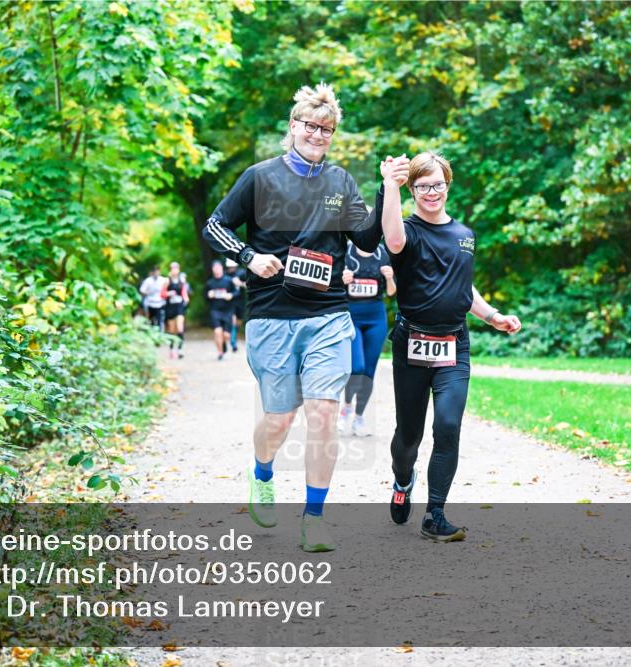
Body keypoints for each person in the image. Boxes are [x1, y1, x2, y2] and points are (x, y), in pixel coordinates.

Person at [201, 82, 383, 552]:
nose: (318, 135)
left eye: (326, 129)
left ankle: (314, 518)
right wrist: (249, 257)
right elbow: (214, 227)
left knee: (323, 414)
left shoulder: (341, 182)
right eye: (310, 126)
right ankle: (262, 473)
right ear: (293, 126)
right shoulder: (259, 177)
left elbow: (365, 240)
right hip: (272, 314)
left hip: (328, 313)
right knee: (280, 420)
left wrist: (388, 190)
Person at [379, 151, 521, 542]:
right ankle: (402, 480)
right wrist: (390, 184)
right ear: (413, 189)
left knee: (447, 427)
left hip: (454, 345)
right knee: (408, 437)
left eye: (438, 184)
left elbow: (463, 287)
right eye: (423, 185)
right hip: (412, 343)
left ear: (448, 186)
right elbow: (392, 239)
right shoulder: (407, 231)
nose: (432, 192)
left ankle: (435, 514)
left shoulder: (464, 235)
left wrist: (493, 316)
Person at [339, 241, 396, 436]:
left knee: (369, 372)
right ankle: (346, 406)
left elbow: (391, 292)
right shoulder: (345, 250)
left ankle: (359, 417)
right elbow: (331, 285)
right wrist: (342, 279)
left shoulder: (382, 252)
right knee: (357, 367)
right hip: (351, 317)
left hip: (376, 319)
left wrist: (389, 278)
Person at [205, 260, 236, 360]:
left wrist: (231, 295)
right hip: (215, 311)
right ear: (212, 269)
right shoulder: (210, 283)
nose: (217, 270)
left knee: (226, 335)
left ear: (222, 268)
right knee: (217, 332)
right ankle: (220, 353)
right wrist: (208, 295)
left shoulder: (228, 281)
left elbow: (237, 292)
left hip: (227, 311)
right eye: (215, 268)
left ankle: (223, 344)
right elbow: (205, 297)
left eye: (218, 267)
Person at [162, 262, 189, 359]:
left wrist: (186, 298)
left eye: (176, 268)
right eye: (173, 268)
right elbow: (162, 294)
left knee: (180, 327)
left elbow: (183, 292)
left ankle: (180, 349)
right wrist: (168, 293)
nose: (175, 270)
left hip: (179, 306)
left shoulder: (182, 280)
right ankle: (171, 349)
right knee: (172, 330)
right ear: (170, 269)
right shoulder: (167, 280)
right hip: (170, 307)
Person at [224, 259, 247, 353]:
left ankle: (234, 336)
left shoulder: (242, 273)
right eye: (229, 267)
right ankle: (233, 343)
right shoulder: (225, 275)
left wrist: (240, 283)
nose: (231, 269)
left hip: (240, 300)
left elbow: (250, 285)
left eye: (232, 267)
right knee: (232, 321)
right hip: (230, 302)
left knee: (238, 322)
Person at [139, 266, 167, 332]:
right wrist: (148, 293)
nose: (156, 273)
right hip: (150, 303)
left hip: (160, 303)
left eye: (157, 271)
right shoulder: (148, 280)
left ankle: (160, 332)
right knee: (150, 319)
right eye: (155, 271)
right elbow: (142, 290)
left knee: (160, 319)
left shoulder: (163, 280)